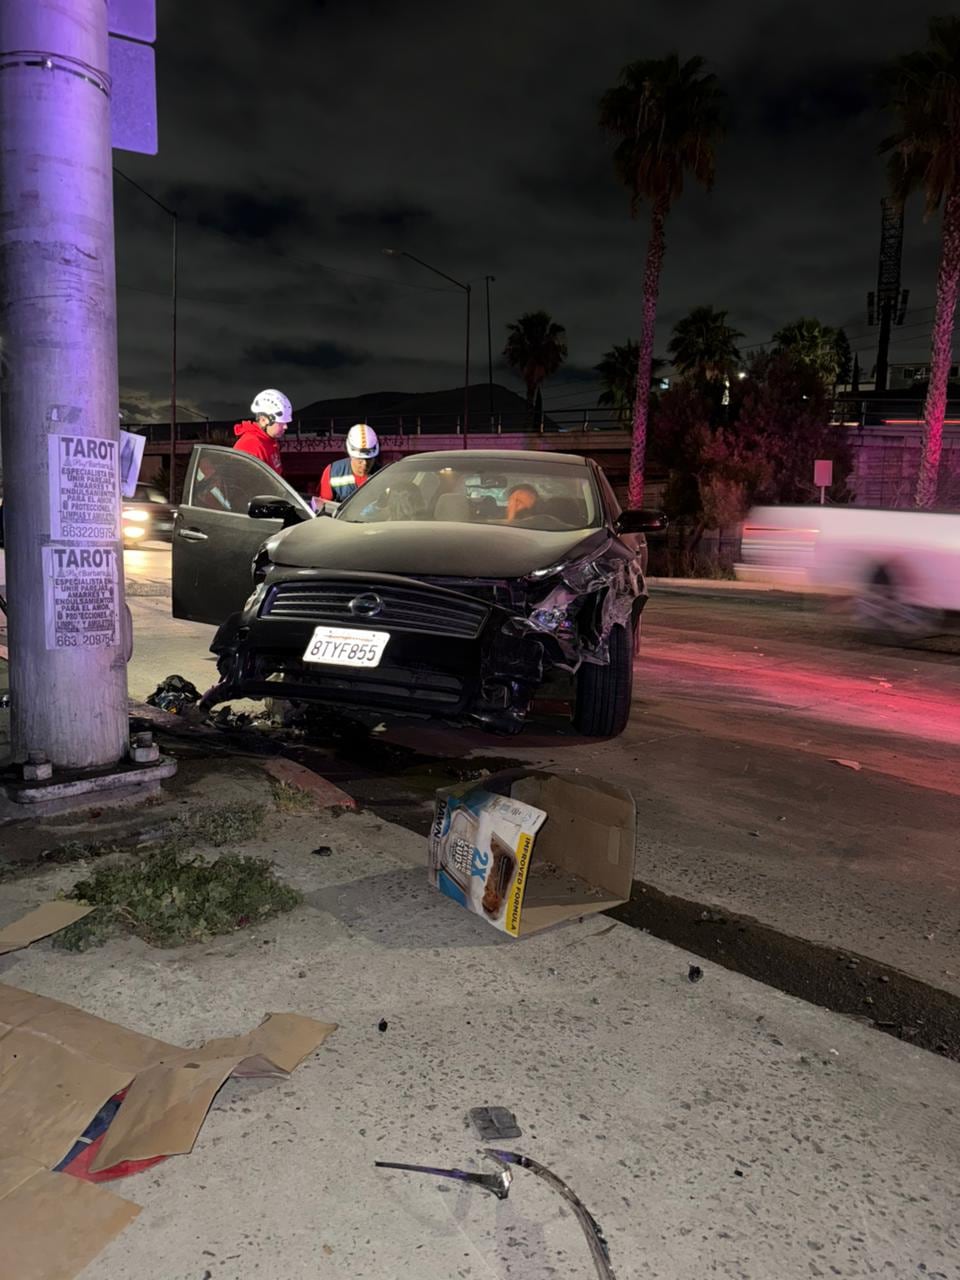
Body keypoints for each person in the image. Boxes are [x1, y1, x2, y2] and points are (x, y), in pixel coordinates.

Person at [232, 389, 293, 475]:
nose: (285, 426)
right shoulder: (251, 446)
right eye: (281, 423)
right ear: (264, 420)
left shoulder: (268, 441)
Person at [317, 423, 380, 503]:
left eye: (369, 459)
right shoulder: (332, 472)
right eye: (360, 459)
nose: (364, 463)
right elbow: (324, 505)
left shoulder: (384, 474)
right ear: (351, 454)